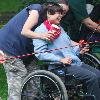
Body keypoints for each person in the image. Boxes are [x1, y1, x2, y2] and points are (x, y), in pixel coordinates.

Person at [33, 2, 100, 100]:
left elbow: (67, 47)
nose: (60, 17)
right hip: (59, 66)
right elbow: (40, 54)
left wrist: (79, 49)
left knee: (98, 74)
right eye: (58, 15)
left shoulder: (59, 28)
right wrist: (60, 59)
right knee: (92, 77)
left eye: (61, 14)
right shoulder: (40, 31)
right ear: (49, 14)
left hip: (74, 62)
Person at [0, 2, 59, 100]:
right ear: (49, 10)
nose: (59, 20)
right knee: (19, 74)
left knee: (35, 73)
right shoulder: (36, 9)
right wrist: (43, 36)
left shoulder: (48, 23)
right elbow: (25, 31)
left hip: (26, 51)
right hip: (9, 47)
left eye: (63, 15)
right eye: (58, 15)